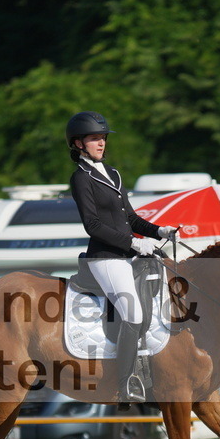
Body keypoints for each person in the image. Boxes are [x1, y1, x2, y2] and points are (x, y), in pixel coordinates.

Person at [66, 111, 177, 402]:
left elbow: (130, 217)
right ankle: (125, 383)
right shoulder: (81, 178)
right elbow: (92, 225)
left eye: (102, 138)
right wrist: (133, 243)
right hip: (104, 258)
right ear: (78, 144)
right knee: (134, 313)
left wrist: (157, 231)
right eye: (94, 138)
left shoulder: (113, 173)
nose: (101, 143)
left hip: (126, 254)